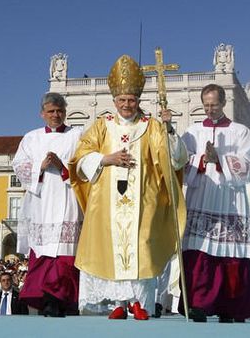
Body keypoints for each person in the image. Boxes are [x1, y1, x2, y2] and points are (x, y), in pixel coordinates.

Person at [70, 54, 187, 320]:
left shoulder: (152, 127)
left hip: (144, 201)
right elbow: (80, 159)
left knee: (142, 246)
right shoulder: (102, 126)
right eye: (122, 100)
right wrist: (106, 158)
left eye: (131, 100)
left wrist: (169, 130)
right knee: (112, 249)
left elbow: (175, 159)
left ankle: (139, 303)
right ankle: (119, 304)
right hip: (107, 202)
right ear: (114, 101)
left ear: (138, 100)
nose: (126, 104)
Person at [180, 83, 250, 323]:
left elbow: (249, 166)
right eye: (206, 105)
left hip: (228, 197)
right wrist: (202, 160)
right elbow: (181, 161)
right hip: (202, 191)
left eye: (214, 105)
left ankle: (230, 308)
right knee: (200, 251)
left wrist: (221, 159)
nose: (210, 110)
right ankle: (199, 305)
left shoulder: (240, 131)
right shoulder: (192, 131)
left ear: (223, 103)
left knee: (229, 254)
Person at [12, 92, 83, 317]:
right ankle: (42, 299)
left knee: (65, 256)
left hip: (67, 197)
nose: (56, 115)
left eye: (60, 111)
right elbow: (19, 165)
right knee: (42, 254)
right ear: (42, 114)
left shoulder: (77, 136)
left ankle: (61, 300)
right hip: (41, 201)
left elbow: (86, 164)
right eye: (51, 111)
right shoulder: (31, 138)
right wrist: (40, 167)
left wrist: (63, 167)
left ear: (65, 112)